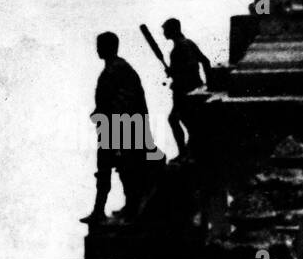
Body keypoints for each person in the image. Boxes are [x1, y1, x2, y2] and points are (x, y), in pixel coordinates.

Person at [83, 31, 161, 223]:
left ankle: (128, 208)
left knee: (124, 170)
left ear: (109, 47)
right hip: (112, 127)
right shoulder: (116, 68)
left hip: (120, 128)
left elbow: (125, 100)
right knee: (109, 169)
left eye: (101, 45)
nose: (98, 49)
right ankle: (101, 210)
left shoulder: (118, 69)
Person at [162, 19, 211, 155]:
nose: (164, 33)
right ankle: (189, 149)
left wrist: (173, 72)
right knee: (186, 120)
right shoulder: (188, 43)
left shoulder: (180, 47)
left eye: (165, 30)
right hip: (191, 88)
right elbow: (204, 61)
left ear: (173, 30)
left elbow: (189, 67)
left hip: (184, 91)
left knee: (176, 119)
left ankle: (184, 152)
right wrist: (208, 84)